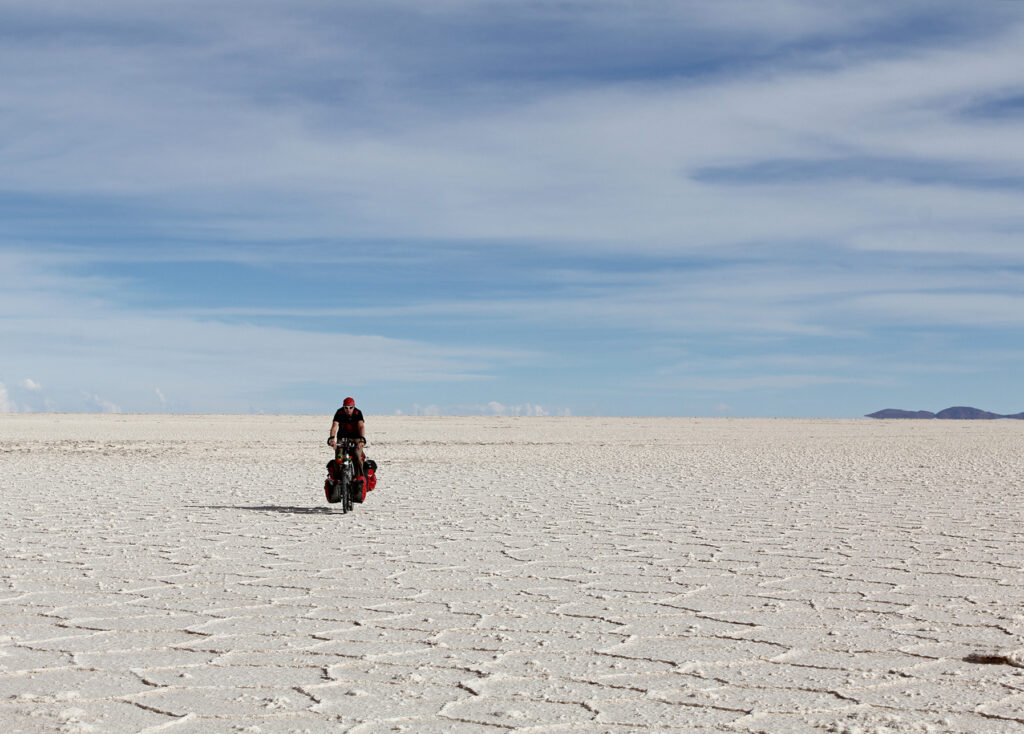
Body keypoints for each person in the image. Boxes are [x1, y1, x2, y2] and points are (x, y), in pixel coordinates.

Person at [328, 397, 366, 481]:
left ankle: (359, 479)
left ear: (354, 407)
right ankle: (337, 479)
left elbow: (361, 426)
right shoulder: (339, 412)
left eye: (350, 407)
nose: (348, 410)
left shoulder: (357, 413)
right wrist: (332, 439)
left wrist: (362, 440)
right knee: (339, 457)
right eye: (346, 407)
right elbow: (334, 426)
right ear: (343, 407)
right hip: (342, 437)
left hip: (355, 437)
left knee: (357, 456)